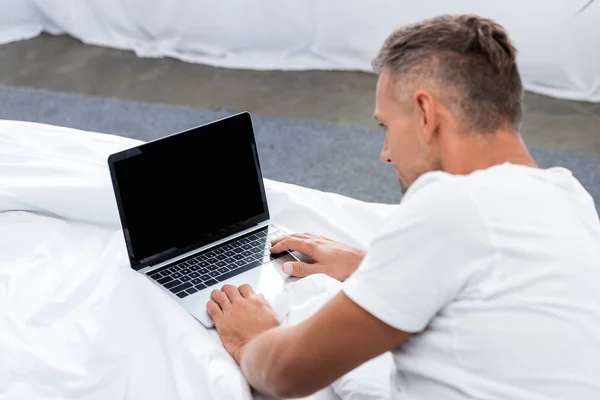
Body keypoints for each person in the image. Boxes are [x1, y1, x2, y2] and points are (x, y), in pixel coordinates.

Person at [205, 14, 600, 399]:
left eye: (387, 127)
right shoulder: (568, 195)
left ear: (426, 114)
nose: (386, 154)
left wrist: (250, 337)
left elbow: (284, 376)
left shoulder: (450, 205)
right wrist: (368, 269)